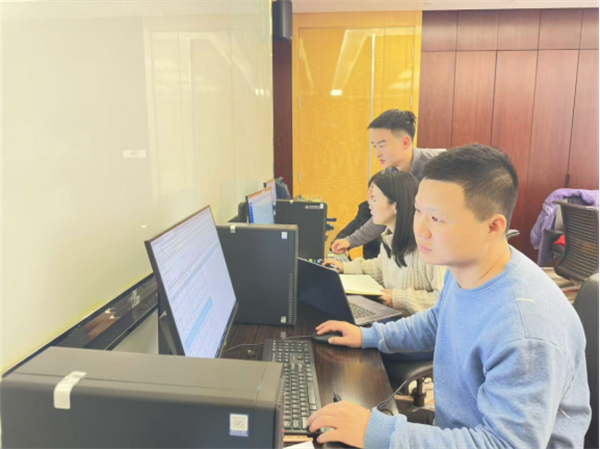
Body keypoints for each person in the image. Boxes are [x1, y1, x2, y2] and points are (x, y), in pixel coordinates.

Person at [308, 144, 591, 448]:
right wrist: (369, 336)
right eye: (418, 211)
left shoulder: (525, 331)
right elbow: (437, 320)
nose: (420, 229)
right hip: (456, 430)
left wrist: (380, 433)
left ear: (493, 226)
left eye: (438, 219)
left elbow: (503, 444)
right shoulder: (469, 268)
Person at [324, 169, 445, 316]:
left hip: (414, 327)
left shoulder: (431, 248)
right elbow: (381, 267)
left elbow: (444, 300)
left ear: (396, 206)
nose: (370, 205)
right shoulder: (390, 238)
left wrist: (399, 298)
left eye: (375, 199)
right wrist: (344, 267)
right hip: (395, 319)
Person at [332, 109, 444, 255]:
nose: (377, 153)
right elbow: (381, 215)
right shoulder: (390, 175)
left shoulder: (440, 165)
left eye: (382, 145)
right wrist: (350, 241)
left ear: (405, 143)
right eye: (374, 146)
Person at [333, 171, 383, 260]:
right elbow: (349, 231)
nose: (372, 196)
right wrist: (341, 246)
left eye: (377, 193)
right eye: (371, 190)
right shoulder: (366, 209)